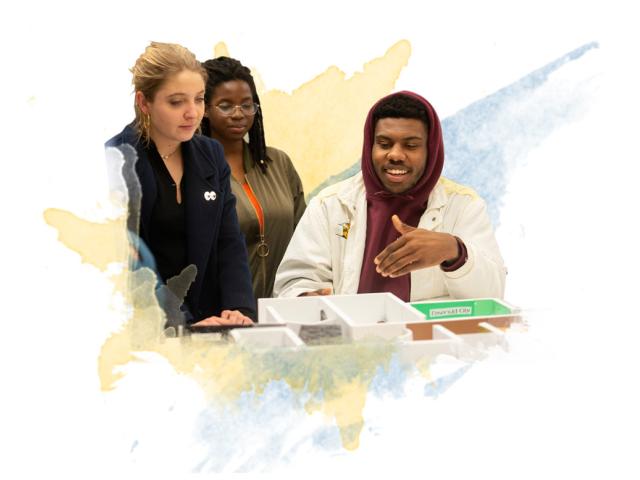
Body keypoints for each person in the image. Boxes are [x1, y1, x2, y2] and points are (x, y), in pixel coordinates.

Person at [273, 91, 506, 301]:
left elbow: (493, 293)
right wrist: (305, 297)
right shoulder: (329, 204)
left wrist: (454, 251)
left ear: (431, 150)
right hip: (351, 334)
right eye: (384, 144)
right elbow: (294, 282)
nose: (395, 155)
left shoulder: (463, 205)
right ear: (370, 146)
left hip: (426, 336)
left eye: (411, 145)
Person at [105, 42, 255, 326]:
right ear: (144, 103)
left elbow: (228, 242)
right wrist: (181, 325)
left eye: (199, 99)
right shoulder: (114, 161)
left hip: (212, 324)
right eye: (176, 102)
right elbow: (131, 264)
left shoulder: (211, 154)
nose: (192, 113)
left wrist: (238, 309)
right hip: (147, 328)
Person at [201, 56, 306, 299]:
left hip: (284, 307)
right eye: (226, 106)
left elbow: (305, 236)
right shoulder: (192, 171)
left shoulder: (278, 163)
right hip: (224, 310)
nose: (238, 114)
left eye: (247, 105)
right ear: (204, 109)